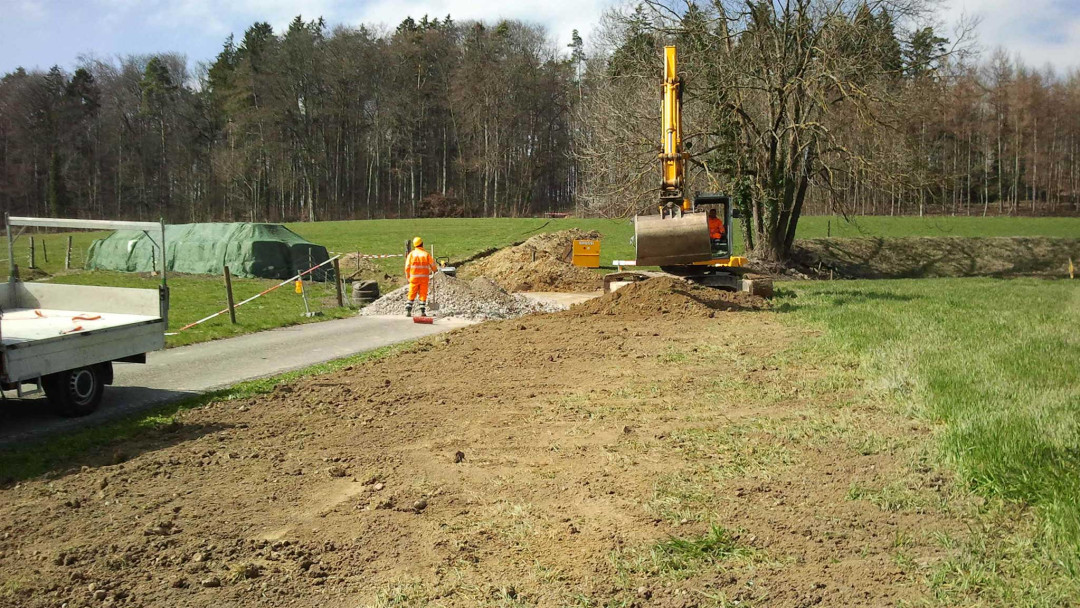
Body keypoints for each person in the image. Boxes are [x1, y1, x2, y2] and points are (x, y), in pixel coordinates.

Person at [404, 236, 438, 317]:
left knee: (412, 293)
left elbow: (407, 267)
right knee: (423, 294)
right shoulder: (426, 254)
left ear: (414, 245)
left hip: (414, 278)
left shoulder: (411, 254)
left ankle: (408, 309)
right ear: (422, 244)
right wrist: (435, 270)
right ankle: (422, 311)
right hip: (424, 278)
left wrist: (408, 277)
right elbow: (432, 265)